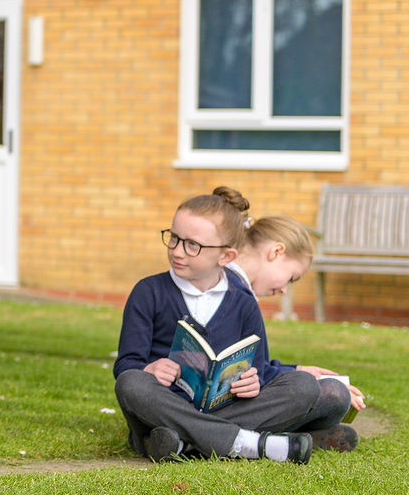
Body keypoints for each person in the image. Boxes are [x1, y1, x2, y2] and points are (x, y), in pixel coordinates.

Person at [113, 186, 323, 463]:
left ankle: (180, 443)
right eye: (174, 238)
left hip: (218, 408)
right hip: (162, 404)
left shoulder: (244, 303)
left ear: (226, 257)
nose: (178, 251)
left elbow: (257, 369)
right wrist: (148, 369)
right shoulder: (148, 292)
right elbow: (126, 365)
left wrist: (252, 382)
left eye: (192, 245)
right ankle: (247, 443)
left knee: (304, 386)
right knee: (131, 384)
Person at [228, 214, 363, 451]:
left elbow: (253, 366)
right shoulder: (234, 294)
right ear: (277, 252)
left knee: (332, 392)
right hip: (226, 408)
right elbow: (254, 378)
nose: (283, 290)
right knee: (325, 392)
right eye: (290, 278)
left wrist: (297, 370)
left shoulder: (236, 289)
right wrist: (304, 378)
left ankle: (289, 436)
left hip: (235, 403)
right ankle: (284, 437)